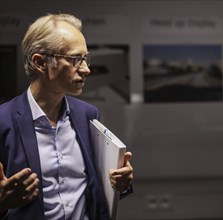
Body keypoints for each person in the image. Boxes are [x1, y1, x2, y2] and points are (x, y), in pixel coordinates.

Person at [0, 13, 133, 219]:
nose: (86, 69)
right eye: (75, 59)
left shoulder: (87, 114)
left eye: (85, 58)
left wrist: (119, 183)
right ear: (40, 62)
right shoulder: (3, 121)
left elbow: (96, 188)